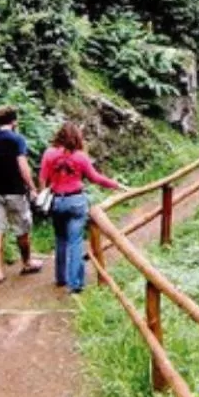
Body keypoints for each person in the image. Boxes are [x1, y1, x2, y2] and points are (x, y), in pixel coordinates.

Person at [39, 122, 123, 294]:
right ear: (77, 137)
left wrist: (43, 194)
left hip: (56, 200)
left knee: (60, 239)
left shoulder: (49, 153)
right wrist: (115, 184)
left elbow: (43, 177)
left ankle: (60, 277)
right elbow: (95, 178)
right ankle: (75, 283)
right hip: (76, 201)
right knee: (75, 242)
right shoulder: (80, 156)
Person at [0, 105, 45, 284]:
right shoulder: (17, 139)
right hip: (15, 191)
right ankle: (27, 263)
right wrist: (32, 187)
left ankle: (0, 271)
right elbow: (23, 166)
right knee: (21, 229)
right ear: (14, 121)